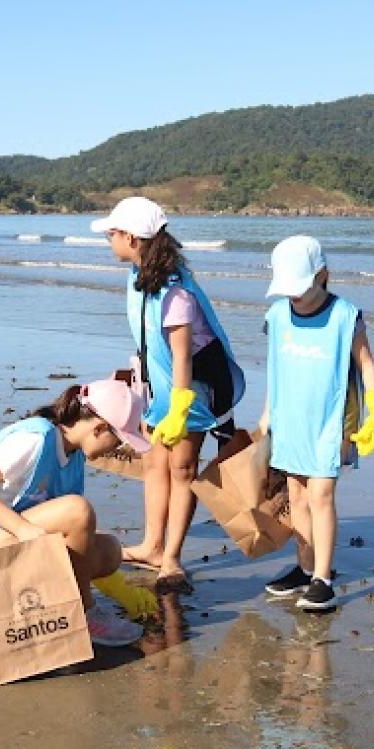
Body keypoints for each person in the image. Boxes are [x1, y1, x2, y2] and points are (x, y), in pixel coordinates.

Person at [94, 196, 246, 592]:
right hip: (158, 389)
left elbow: (182, 358)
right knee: (153, 465)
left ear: (130, 236)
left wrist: (178, 410)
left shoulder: (176, 293)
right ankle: (151, 545)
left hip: (188, 394)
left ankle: (172, 559)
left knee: (182, 470)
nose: (109, 240)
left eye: (112, 234)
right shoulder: (139, 274)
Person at [0, 379, 155, 648]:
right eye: (119, 440)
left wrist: (117, 585)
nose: (118, 450)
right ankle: (84, 613)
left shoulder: (74, 456)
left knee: (109, 550)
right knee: (78, 510)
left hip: (13, 539)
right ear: (99, 428)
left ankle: (67, 603)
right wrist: (21, 528)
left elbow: (76, 536)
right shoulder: (36, 439)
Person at [257, 236, 374, 613]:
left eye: (302, 288)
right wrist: (267, 417)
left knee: (321, 496)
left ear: (323, 275)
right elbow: (275, 369)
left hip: (330, 422)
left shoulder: (346, 316)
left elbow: (367, 367)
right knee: (295, 495)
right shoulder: (277, 316)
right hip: (290, 418)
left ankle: (323, 579)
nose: (295, 297)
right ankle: (305, 566)